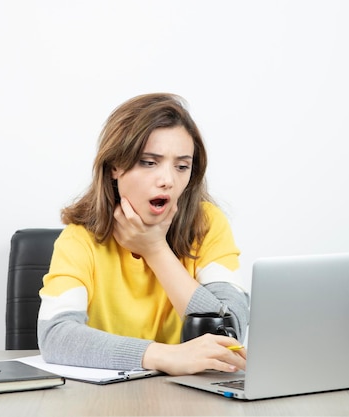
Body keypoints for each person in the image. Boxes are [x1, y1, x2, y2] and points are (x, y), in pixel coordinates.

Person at [37, 93, 249, 375]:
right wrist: (162, 355)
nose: (168, 180)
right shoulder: (79, 239)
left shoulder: (207, 223)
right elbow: (55, 337)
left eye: (182, 166)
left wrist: (155, 250)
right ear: (115, 166)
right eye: (149, 162)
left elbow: (230, 330)